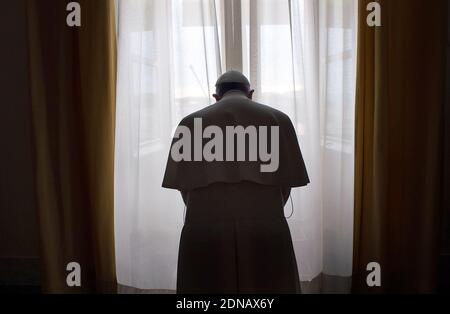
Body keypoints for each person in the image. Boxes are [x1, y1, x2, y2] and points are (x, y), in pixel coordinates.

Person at [162, 70, 309, 294]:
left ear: (215, 97)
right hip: (266, 223)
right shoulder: (279, 119)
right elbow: (286, 184)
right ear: (250, 93)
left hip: (204, 228)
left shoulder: (190, 123)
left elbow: (185, 188)